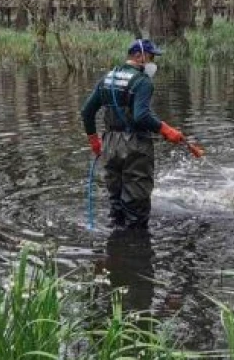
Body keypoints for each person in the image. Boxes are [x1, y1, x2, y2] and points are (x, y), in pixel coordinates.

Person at [80, 38, 199, 230]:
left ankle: (116, 246)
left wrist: (94, 141)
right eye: (151, 57)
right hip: (134, 145)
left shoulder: (108, 78)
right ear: (139, 56)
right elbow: (141, 115)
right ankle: (136, 249)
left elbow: (87, 111)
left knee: (116, 201)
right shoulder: (142, 82)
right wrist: (165, 130)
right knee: (137, 204)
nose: (153, 63)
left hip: (109, 144)